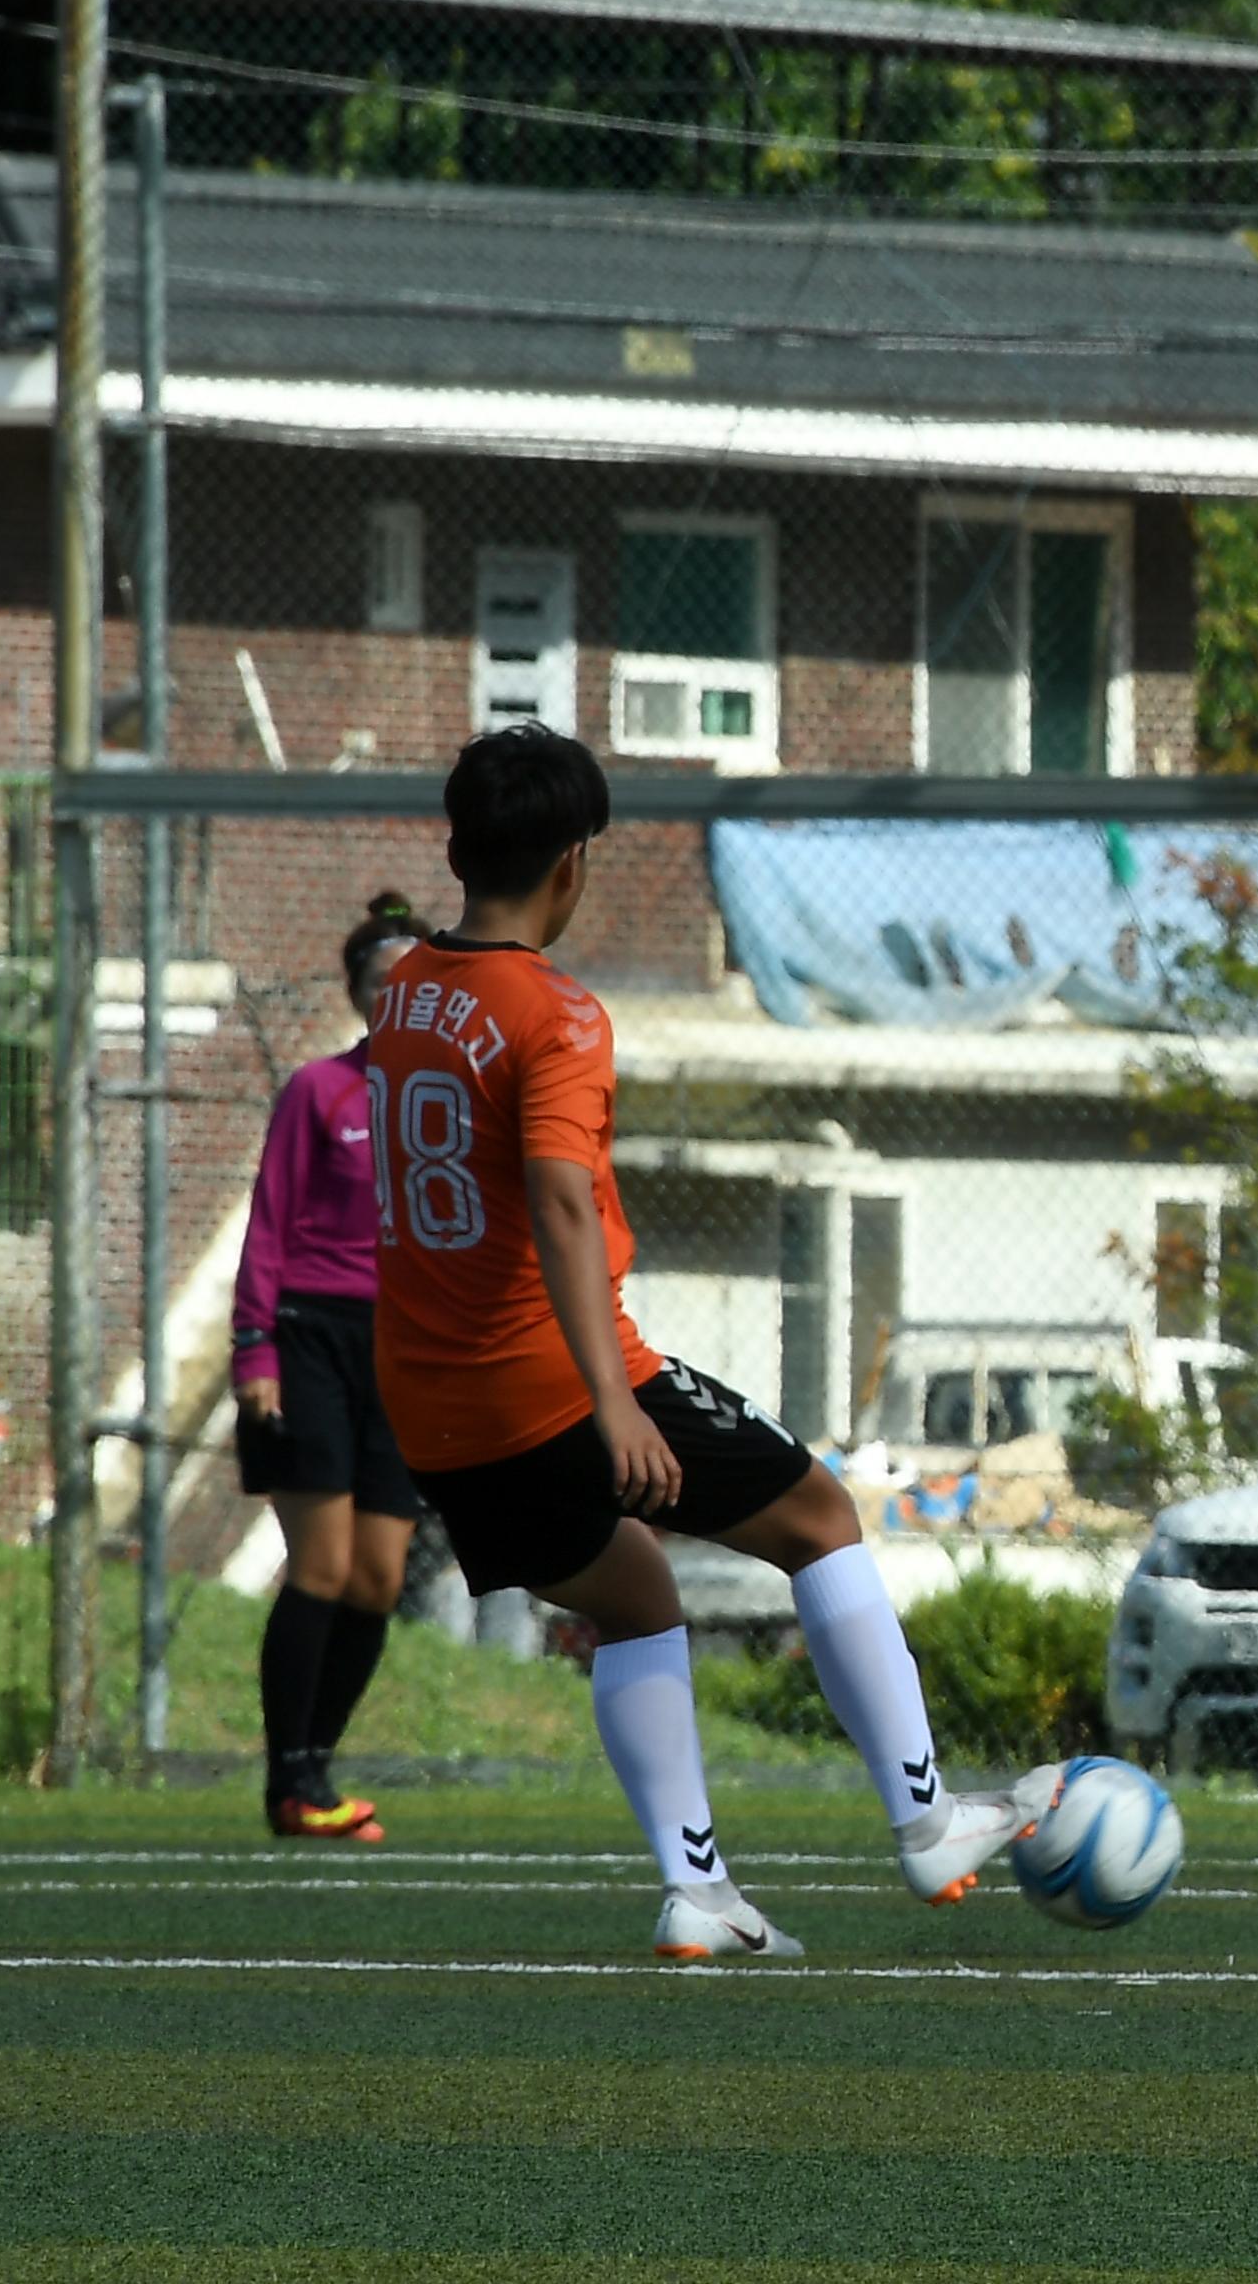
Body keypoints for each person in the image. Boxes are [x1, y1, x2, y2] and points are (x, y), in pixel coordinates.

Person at [369, 725, 1045, 1959]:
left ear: (457, 846)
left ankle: (700, 1891)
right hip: (557, 1378)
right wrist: (612, 1402)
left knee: (635, 1598)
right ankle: (928, 1816)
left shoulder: (405, 987)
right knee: (822, 1519)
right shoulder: (558, 1013)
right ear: (574, 864)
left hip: (434, 1404)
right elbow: (562, 1199)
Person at [234, 893, 435, 1843]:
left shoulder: (451, 1105)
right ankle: (293, 1780)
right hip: (312, 1336)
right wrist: (255, 1349)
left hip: (408, 1348)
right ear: (357, 997)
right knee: (320, 1564)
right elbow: (269, 1225)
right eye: (377, 984)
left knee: (378, 1579)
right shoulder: (319, 1091)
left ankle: (316, 1762)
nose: (394, 998)